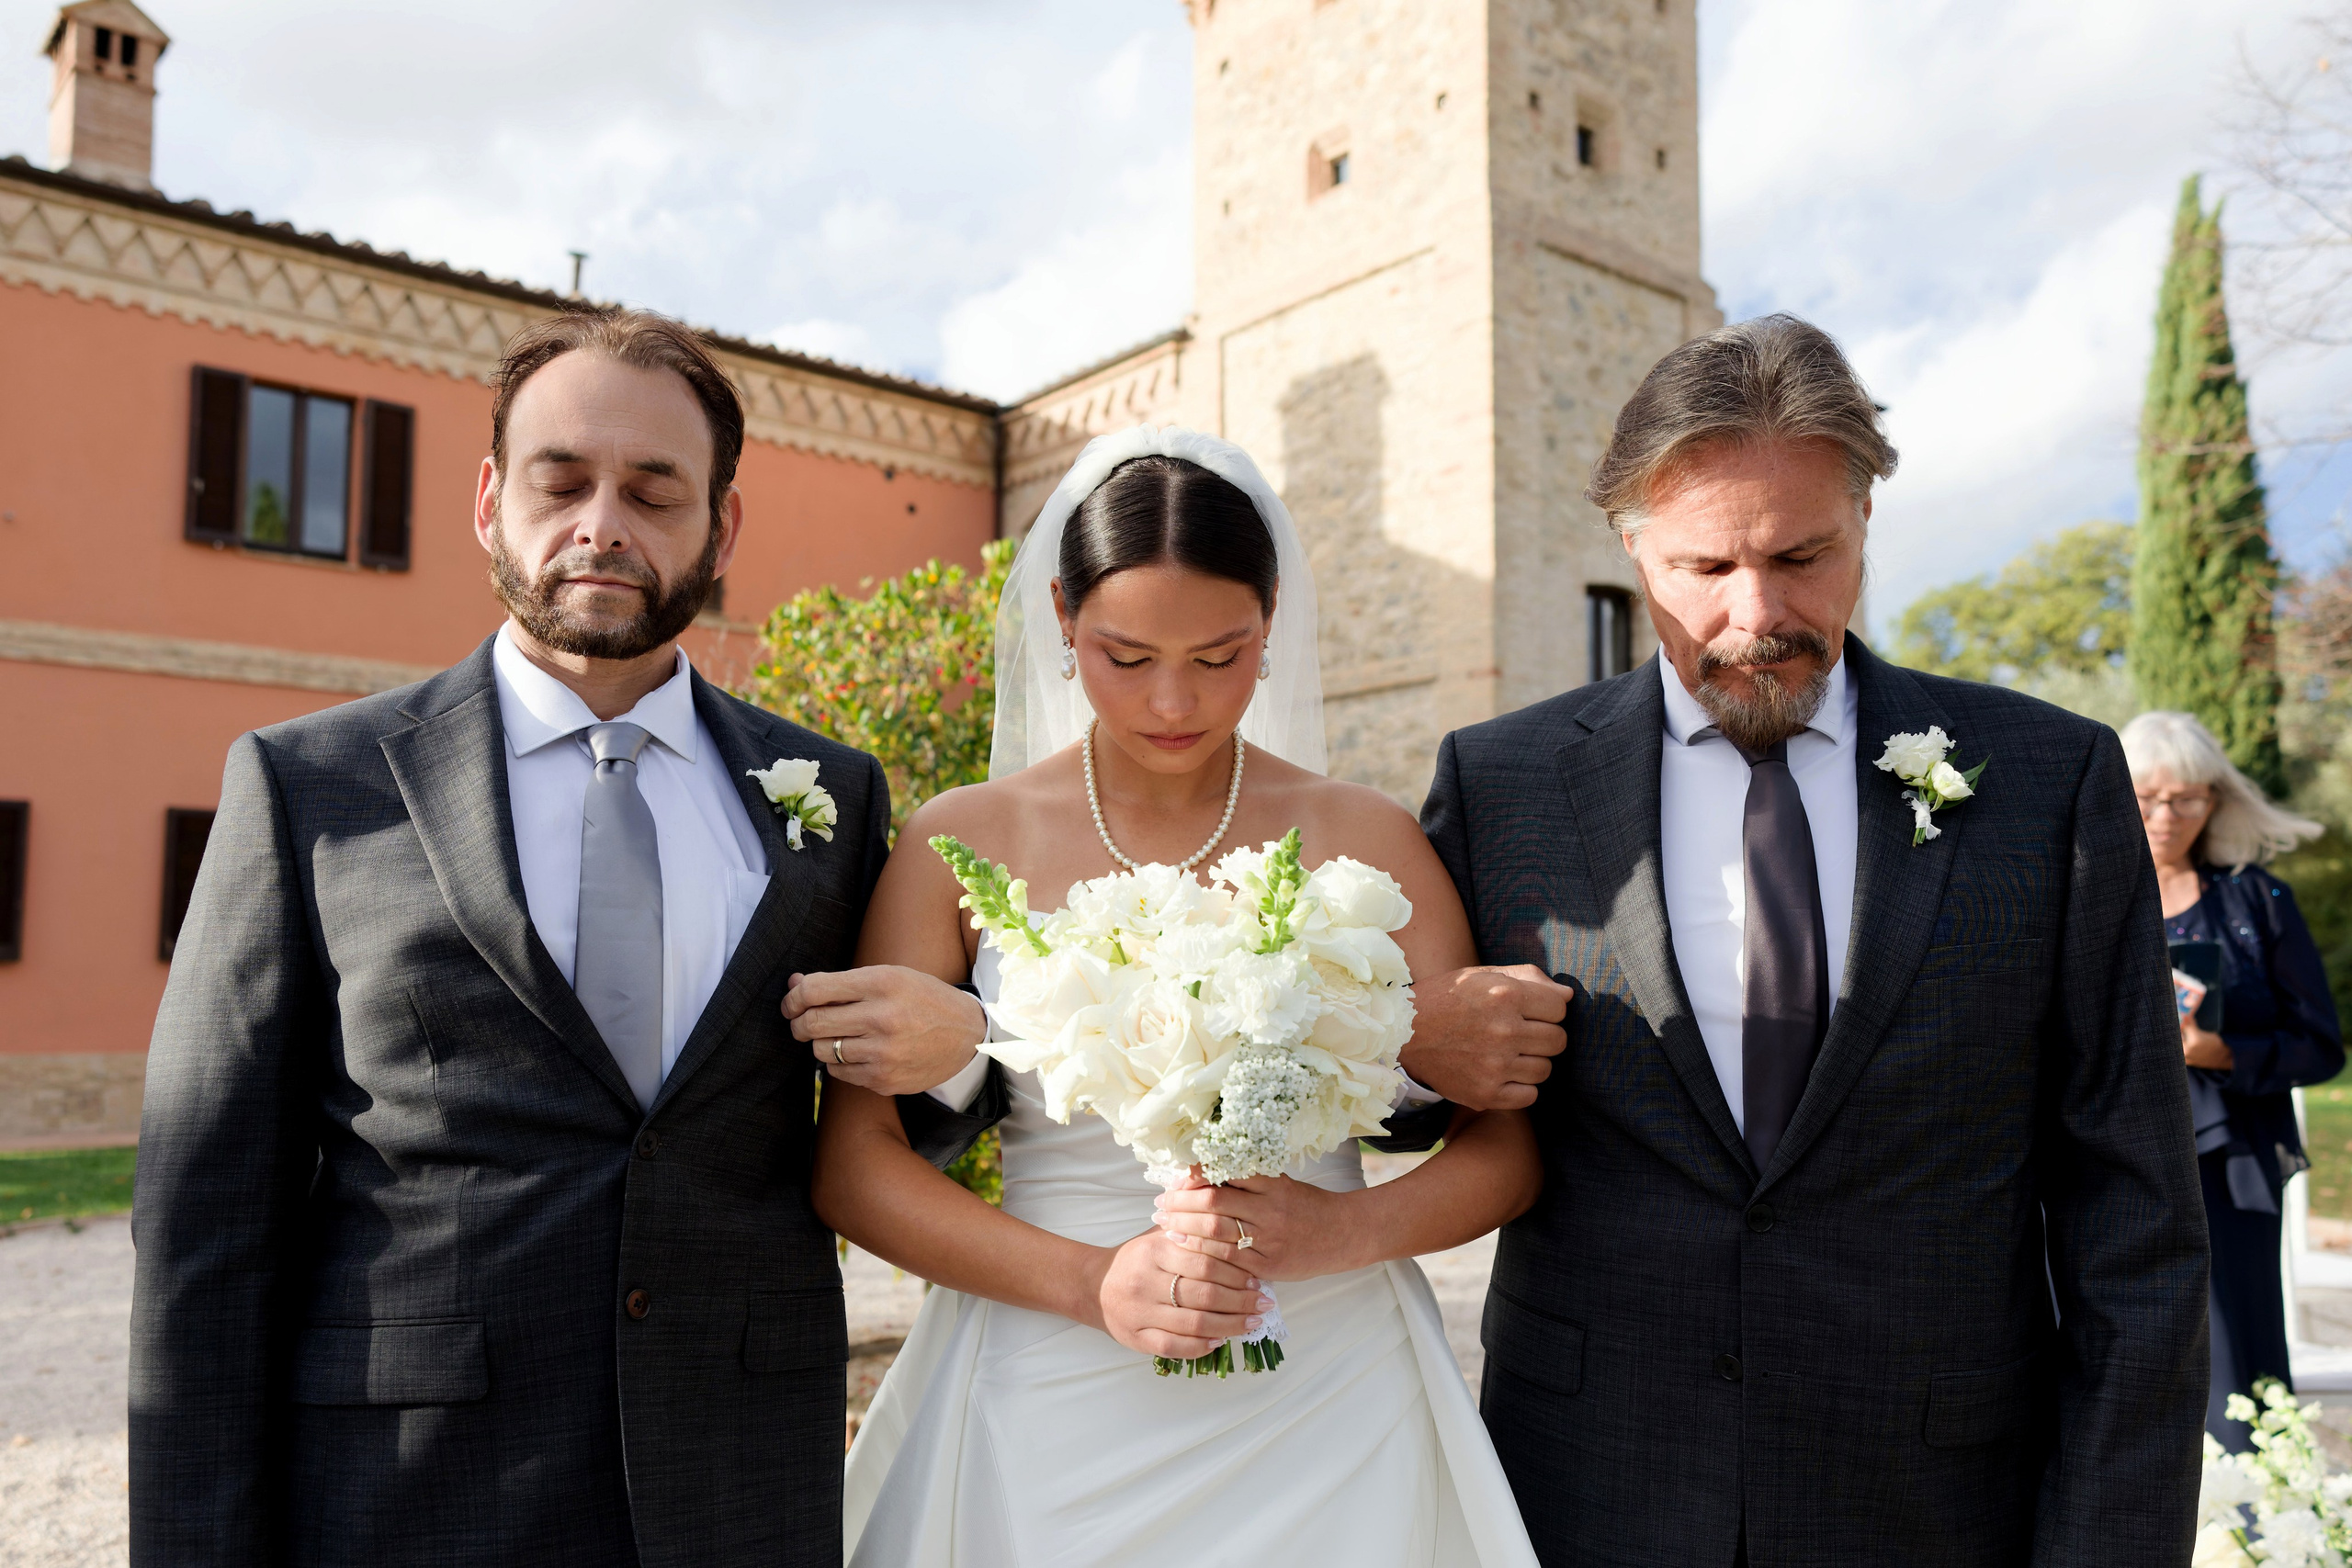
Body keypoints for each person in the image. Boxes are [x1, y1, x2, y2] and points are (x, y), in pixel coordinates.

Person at [129, 306, 979, 1568]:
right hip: (409, 1492)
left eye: (654, 489)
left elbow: (876, 1125)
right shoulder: (311, 784)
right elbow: (206, 1213)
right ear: (489, 499)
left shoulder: (829, 793)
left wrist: (963, 1053)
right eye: (562, 478)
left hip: (738, 1481)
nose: (602, 523)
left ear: (720, 526)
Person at [1398, 315, 2211, 1565]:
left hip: (1938, 1499)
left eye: (1801, 555)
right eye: (1704, 565)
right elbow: (1406, 1109)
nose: (1756, 612)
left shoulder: (2052, 779)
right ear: (1630, 545)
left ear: (1868, 518)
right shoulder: (1499, 783)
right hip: (1592, 1485)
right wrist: (1412, 1047)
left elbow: (2136, 1216)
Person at [797, 426, 1545, 1567]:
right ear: (1060, 616)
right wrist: (1093, 1281)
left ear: (1272, 620)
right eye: (1124, 654)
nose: (1170, 701)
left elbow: (1506, 1148)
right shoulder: (961, 840)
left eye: (1219, 654)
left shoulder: (1368, 836)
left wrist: (1341, 1231)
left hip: (1330, 1381)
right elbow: (856, 1165)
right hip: (1047, 1369)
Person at [2122, 710, 2340, 1450]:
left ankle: (2256, 1521)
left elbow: (2321, 1046)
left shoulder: (2259, 899)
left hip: (2231, 1159)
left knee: (2239, 1346)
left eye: (2185, 796)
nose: (2164, 814)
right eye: (2144, 794)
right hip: (2107, 1159)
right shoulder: (2081, 894)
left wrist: (2225, 1053)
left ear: (2215, 801)